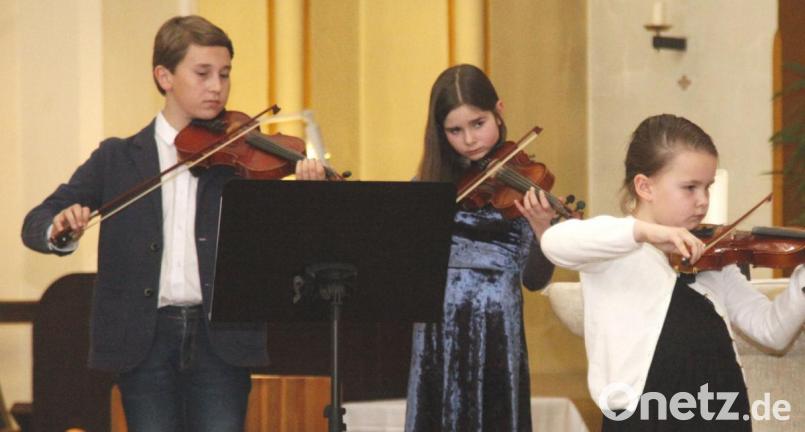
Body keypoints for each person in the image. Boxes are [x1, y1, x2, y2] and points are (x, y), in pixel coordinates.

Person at [21, 15, 326, 431]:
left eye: (224, 74)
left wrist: (313, 196)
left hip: (219, 338)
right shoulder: (117, 158)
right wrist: (60, 227)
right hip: (144, 340)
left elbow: (286, 245)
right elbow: (36, 222)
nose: (217, 86)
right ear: (164, 76)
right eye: (202, 73)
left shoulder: (239, 158)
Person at [540, 114, 805, 430]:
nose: (703, 201)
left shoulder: (711, 256)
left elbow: (771, 332)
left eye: (708, 187)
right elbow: (556, 242)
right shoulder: (616, 248)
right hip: (647, 417)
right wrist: (646, 233)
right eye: (690, 188)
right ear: (645, 186)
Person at [404, 64, 559, 432]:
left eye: (478, 123)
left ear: (499, 111)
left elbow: (535, 281)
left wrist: (542, 230)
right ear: (439, 133)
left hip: (496, 326)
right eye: (455, 130)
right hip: (438, 327)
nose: (470, 140)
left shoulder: (523, 182)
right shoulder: (426, 185)